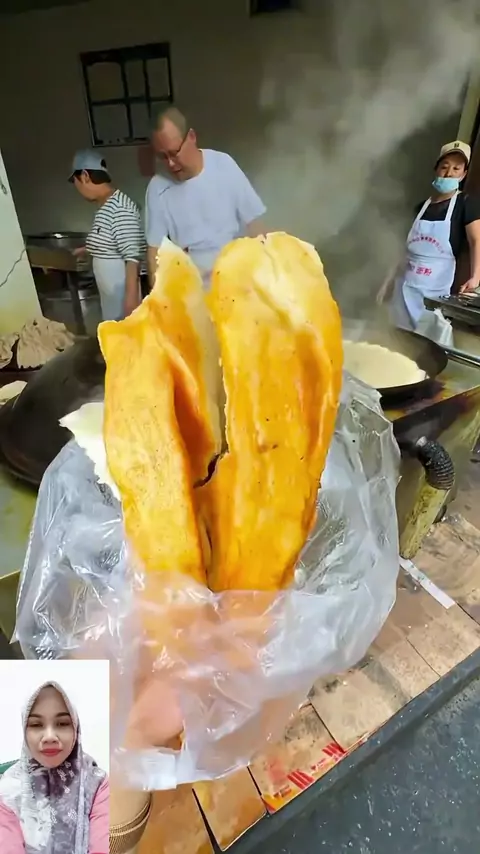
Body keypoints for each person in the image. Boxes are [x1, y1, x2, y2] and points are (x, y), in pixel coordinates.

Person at [145, 106, 266, 288]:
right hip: (192, 290)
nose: (170, 163)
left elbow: (255, 225)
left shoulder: (223, 165)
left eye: (174, 153)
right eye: (162, 156)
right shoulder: (158, 187)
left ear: (191, 137)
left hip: (236, 285)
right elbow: (155, 252)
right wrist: (158, 298)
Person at [379, 140, 480, 330]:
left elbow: (476, 241)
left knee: (426, 339)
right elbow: (402, 250)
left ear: (463, 174)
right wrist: (386, 283)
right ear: (436, 170)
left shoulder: (465, 204)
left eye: (456, 168)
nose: (449, 173)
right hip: (404, 288)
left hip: (434, 291)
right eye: (444, 167)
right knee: (396, 337)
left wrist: (475, 278)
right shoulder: (420, 207)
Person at [0, 681, 108, 854]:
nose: (49, 736)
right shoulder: (7, 791)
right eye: (36, 725)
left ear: (75, 728)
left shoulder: (97, 784)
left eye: (62, 723)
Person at [69, 150, 145, 320]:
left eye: (76, 183)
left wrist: (131, 302)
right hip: (111, 302)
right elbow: (111, 241)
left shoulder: (120, 207)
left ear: (85, 176)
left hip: (123, 303)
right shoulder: (105, 207)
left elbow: (133, 258)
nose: (78, 190)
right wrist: (87, 249)